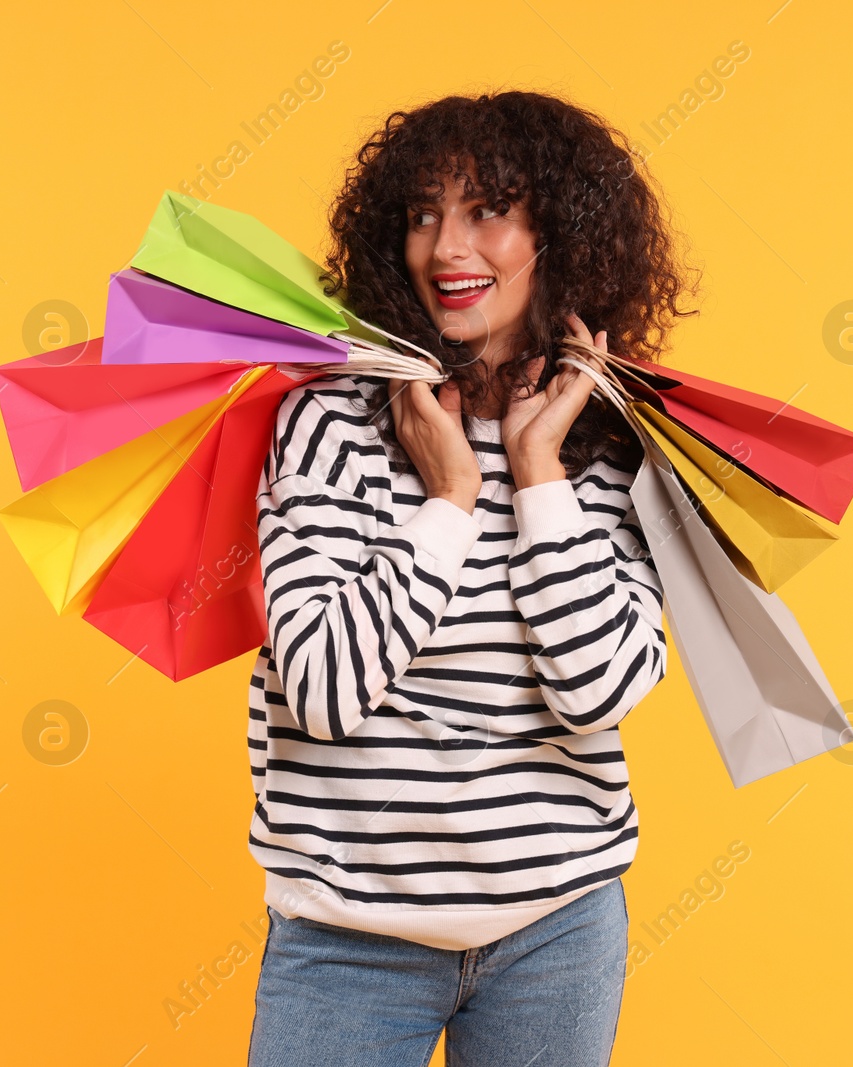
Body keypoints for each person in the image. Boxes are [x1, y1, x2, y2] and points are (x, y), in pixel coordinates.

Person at [245, 90, 699, 1067]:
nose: (446, 244)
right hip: (346, 941)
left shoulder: (616, 443)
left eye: (487, 209)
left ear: (559, 232)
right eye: (422, 213)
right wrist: (448, 498)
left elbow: (600, 693)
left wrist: (538, 473)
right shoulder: (329, 421)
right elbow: (322, 691)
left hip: (558, 931)